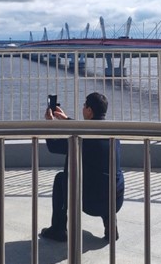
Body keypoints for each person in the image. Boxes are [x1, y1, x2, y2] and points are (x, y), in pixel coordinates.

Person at [39, 92, 125, 242]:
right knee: (104, 175)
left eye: (85, 105)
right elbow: (86, 130)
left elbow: (53, 146)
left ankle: (58, 229)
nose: (82, 107)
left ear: (90, 111)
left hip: (91, 203)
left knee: (61, 179)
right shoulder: (113, 134)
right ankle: (111, 228)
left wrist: (49, 124)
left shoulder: (82, 138)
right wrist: (66, 120)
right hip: (115, 200)